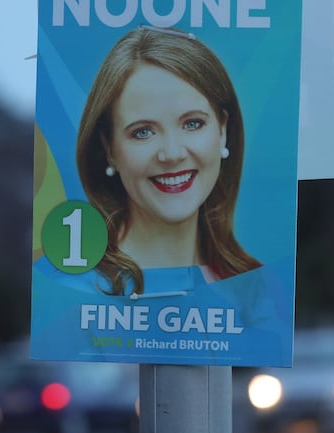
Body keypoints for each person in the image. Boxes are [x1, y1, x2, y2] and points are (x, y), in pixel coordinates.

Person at [76, 26, 261, 296]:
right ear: (109, 148)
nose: (172, 154)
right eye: (143, 132)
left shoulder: (257, 289)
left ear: (222, 130)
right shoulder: (74, 292)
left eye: (193, 123)